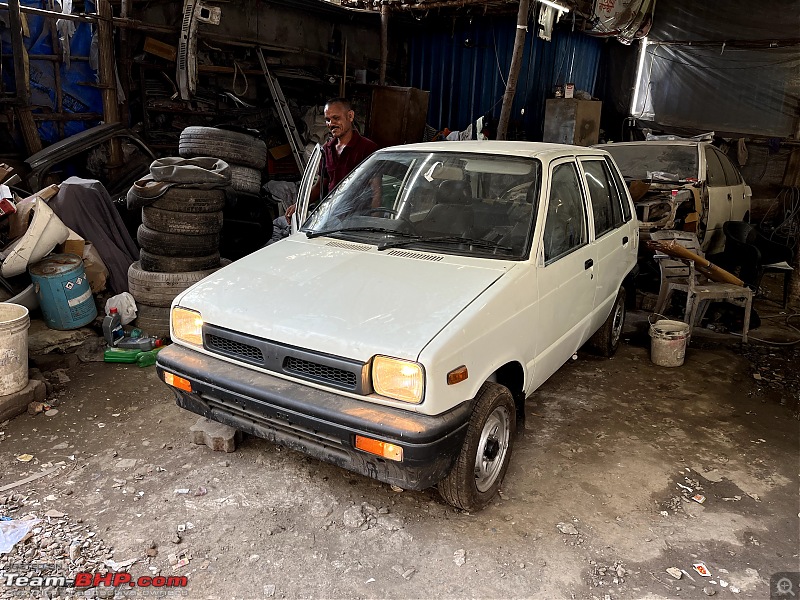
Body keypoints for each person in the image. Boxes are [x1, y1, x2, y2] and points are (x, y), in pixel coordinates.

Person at [286, 98, 378, 219]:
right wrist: (299, 205)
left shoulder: (368, 148)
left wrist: (374, 220)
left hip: (357, 218)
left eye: (336, 118)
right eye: (328, 120)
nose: (331, 124)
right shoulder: (326, 149)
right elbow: (320, 186)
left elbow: (376, 190)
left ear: (350, 116)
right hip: (330, 218)